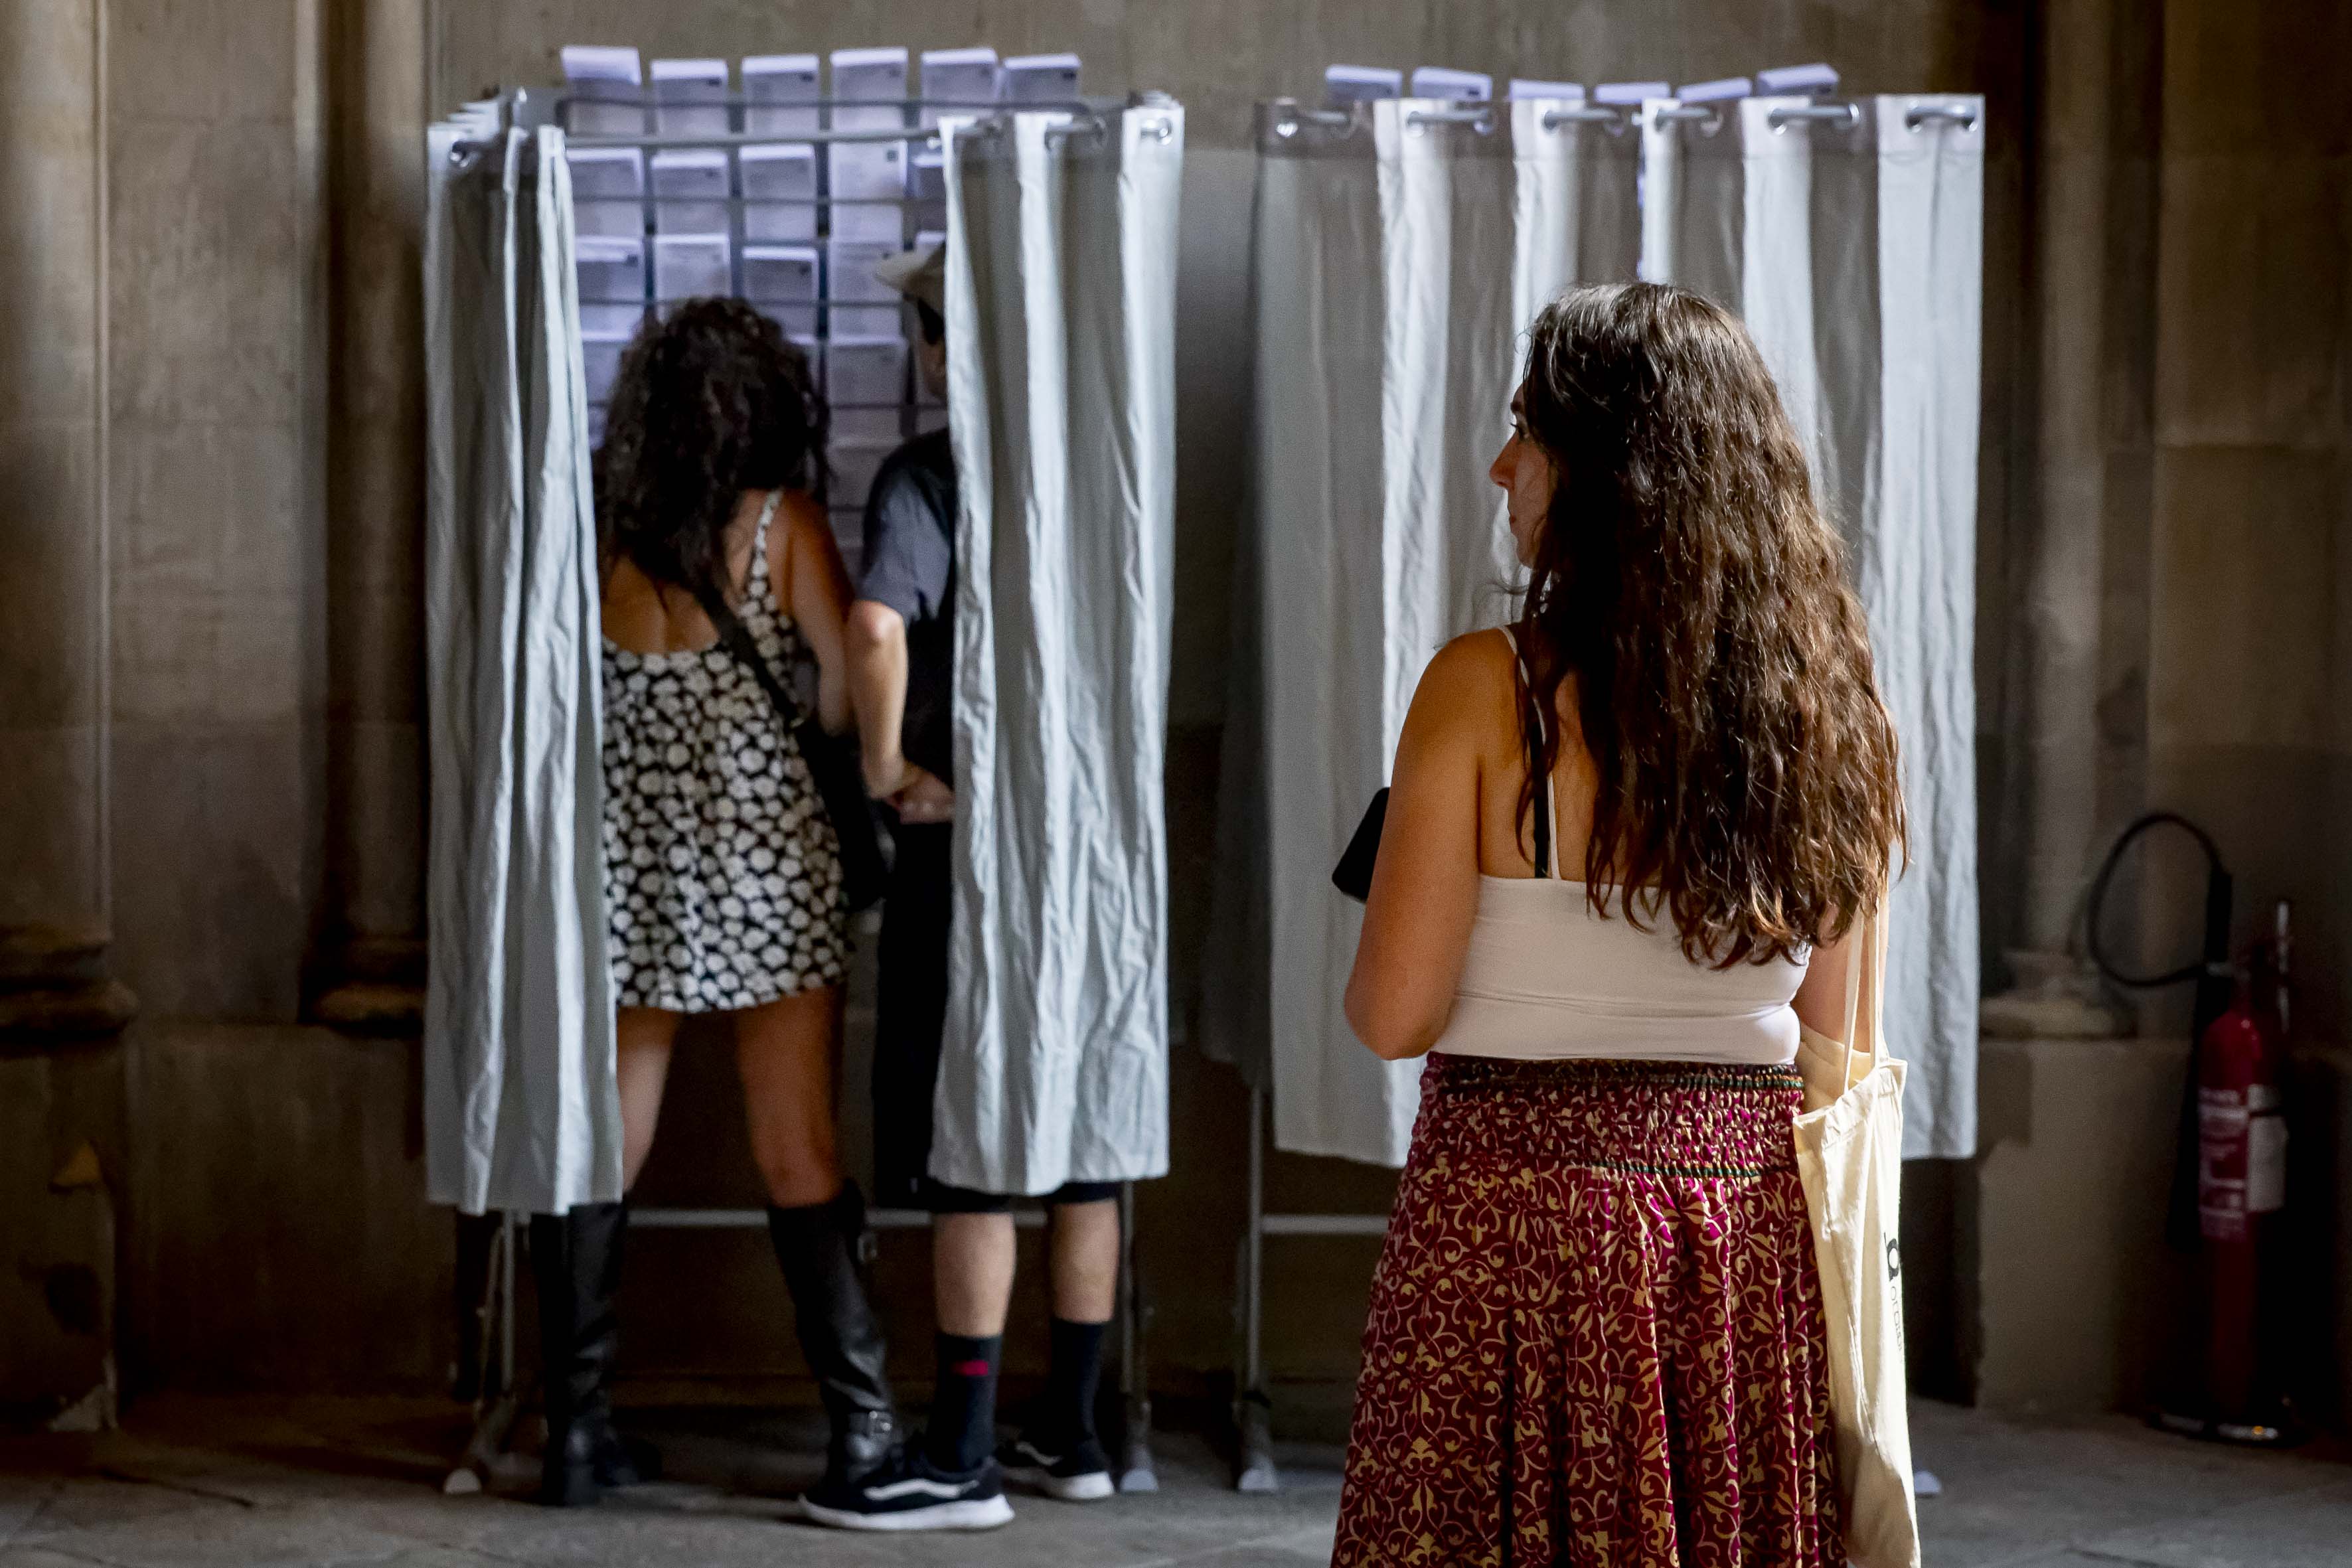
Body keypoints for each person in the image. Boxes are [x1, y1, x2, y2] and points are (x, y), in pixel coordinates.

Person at [1332, 282, 1907, 1565]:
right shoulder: (1837, 716)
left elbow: (1392, 1015)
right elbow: (1835, 1039)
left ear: (1609, 472)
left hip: (1509, 1228)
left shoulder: (1487, 689)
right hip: (1731, 1244)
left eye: (1527, 431)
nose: (1499, 466)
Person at [537, 298, 900, 1516]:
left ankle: (575, 1432)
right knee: (797, 1145)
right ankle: (862, 1432)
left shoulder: (598, 536)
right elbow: (847, 693)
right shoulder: (778, 527)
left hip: (625, 872)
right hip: (761, 866)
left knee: (608, 1146)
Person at [801, 244, 1122, 1531]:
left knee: (971, 1141)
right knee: (1087, 1133)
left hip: (972, 845)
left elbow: (877, 626)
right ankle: (1081, 1431)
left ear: (940, 350)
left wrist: (885, 762)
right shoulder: (1104, 472)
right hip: (1097, 852)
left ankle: (964, 1452)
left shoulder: (930, 474)